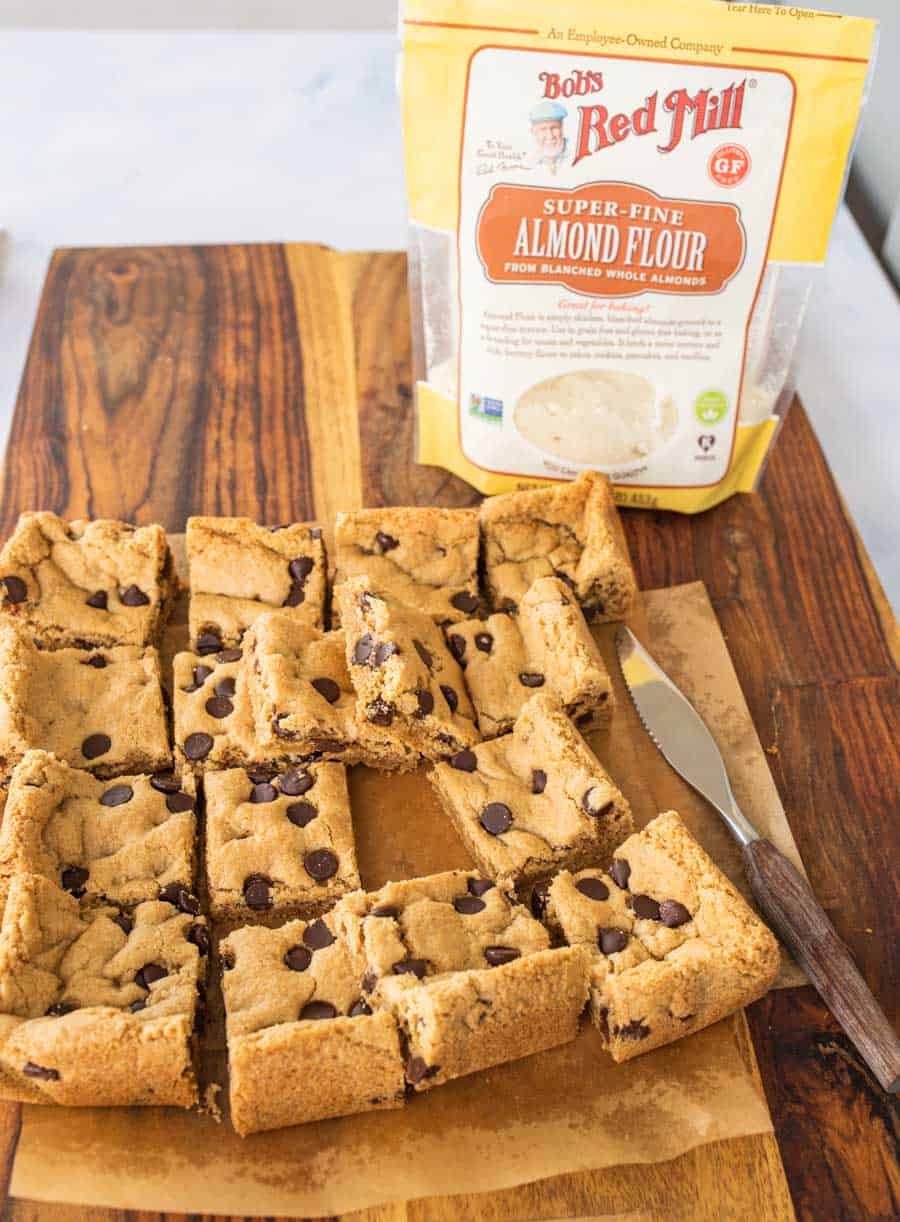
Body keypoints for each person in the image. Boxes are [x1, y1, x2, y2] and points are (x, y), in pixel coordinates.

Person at [529, 99, 568, 174]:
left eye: (554, 128)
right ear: (533, 132)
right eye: (543, 129)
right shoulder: (529, 159)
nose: (550, 136)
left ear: (562, 128)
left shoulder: (574, 154)